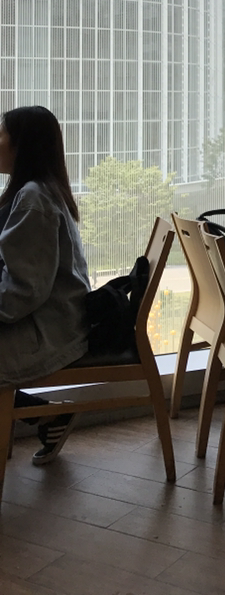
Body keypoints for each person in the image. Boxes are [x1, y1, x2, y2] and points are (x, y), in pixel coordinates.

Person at [0, 106, 91, 465]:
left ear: (21, 145)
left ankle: (48, 415)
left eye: (2, 134)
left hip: (50, 327)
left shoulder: (33, 199)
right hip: (54, 316)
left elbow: (22, 294)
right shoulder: (37, 191)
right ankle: (49, 416)